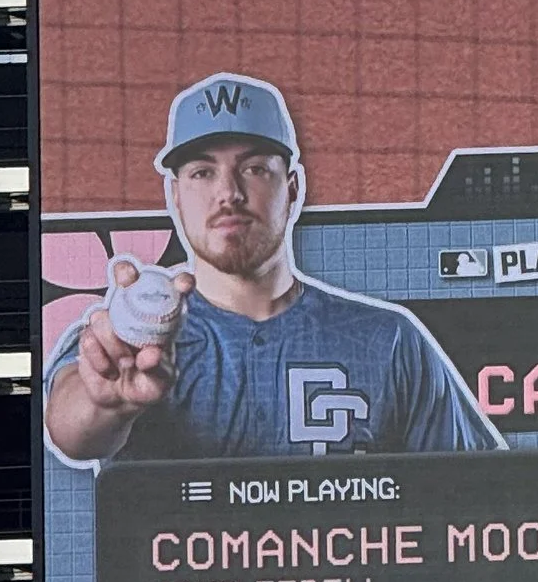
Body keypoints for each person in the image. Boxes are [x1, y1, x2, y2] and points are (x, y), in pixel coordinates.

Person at [43, 73, 501, 465]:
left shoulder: (389, 338)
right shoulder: (128, 340)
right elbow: (70, 425)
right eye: (202, 172)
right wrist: (108, 402)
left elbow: (478, 497)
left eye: (255, 169)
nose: (229, 193)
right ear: (175, 196)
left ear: (294, 188)